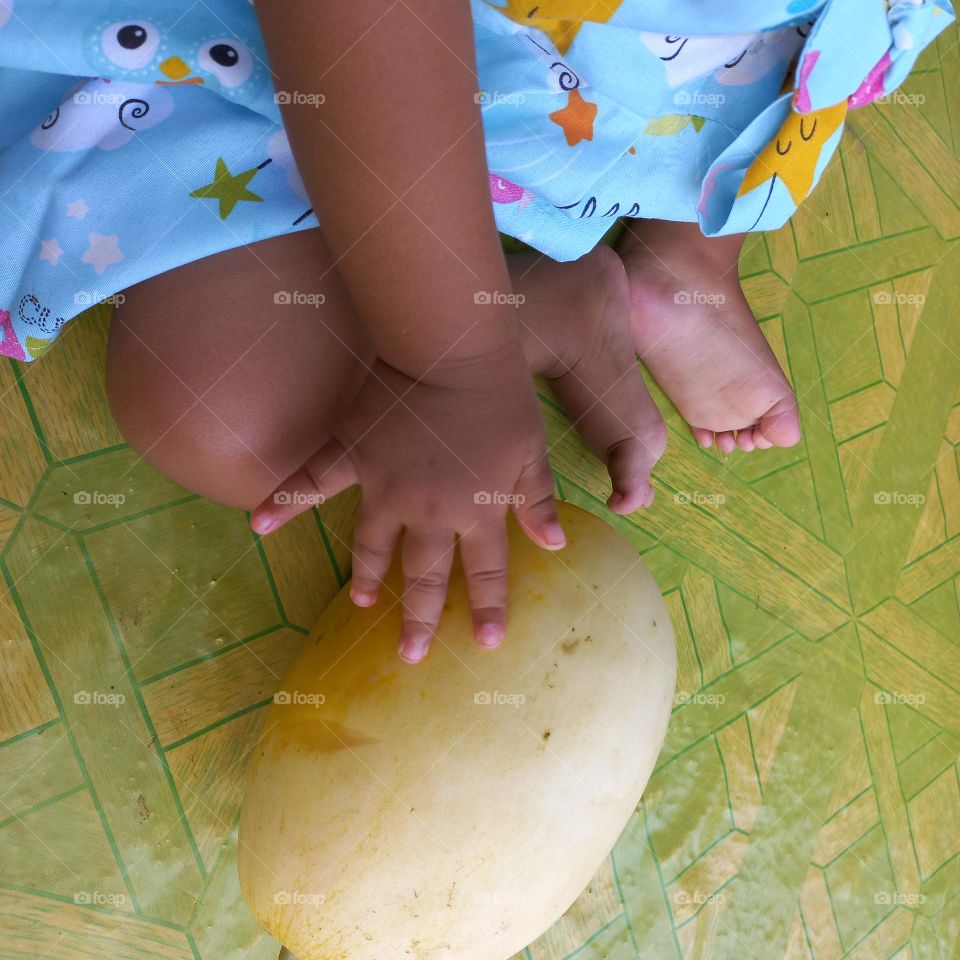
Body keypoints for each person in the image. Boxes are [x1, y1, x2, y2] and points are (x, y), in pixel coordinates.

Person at [0, 0, 951, 662]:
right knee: (234, 419)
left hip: (669, 80)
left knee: (242, 425)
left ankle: (684, 249)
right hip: (319, 61)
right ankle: (532, 288)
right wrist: (448, 360)